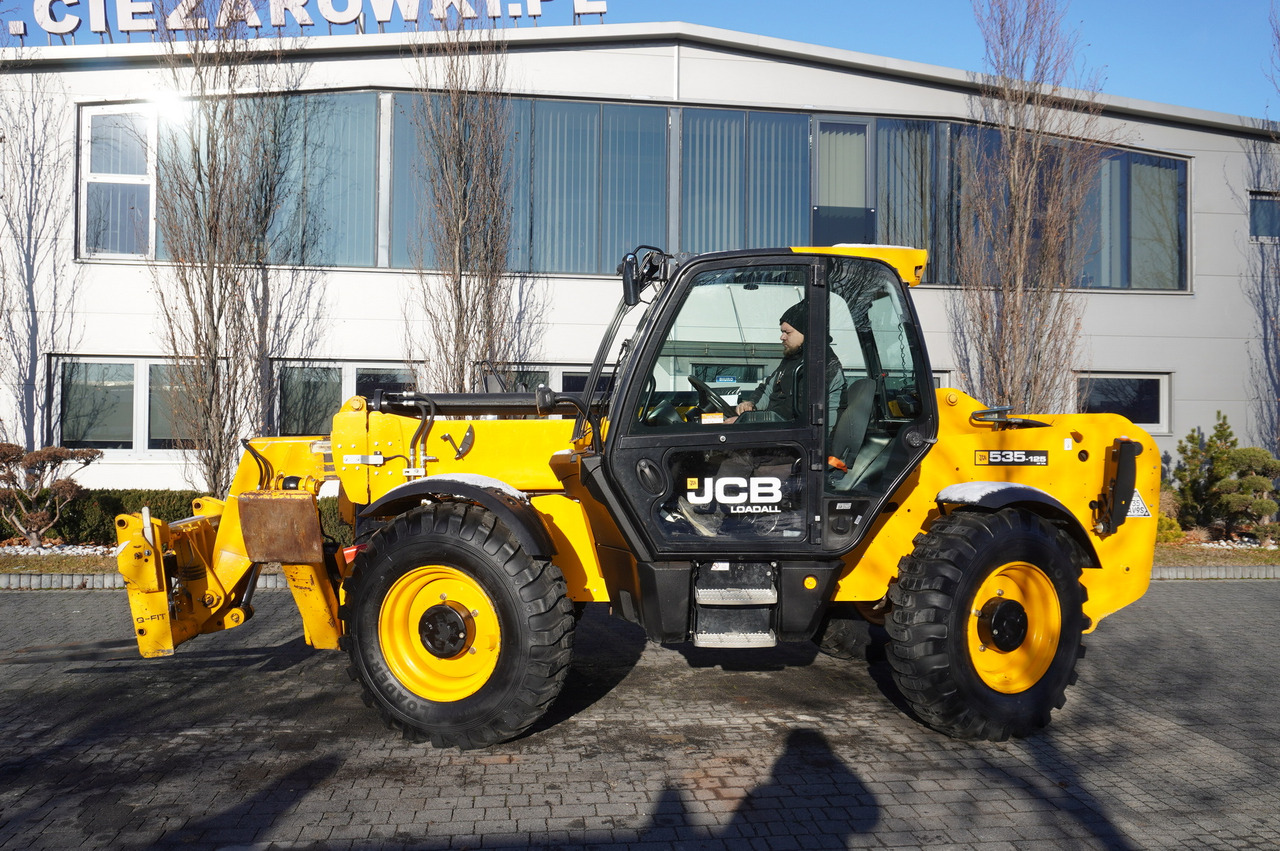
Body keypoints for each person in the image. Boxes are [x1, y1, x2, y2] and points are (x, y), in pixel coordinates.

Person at [733, 300, 844, 424]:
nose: (782, 337)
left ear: (807, 333)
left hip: (809, 435)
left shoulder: (821, 364)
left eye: (788, 332)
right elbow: (768, 389)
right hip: (786, 426)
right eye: (782, 332)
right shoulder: (793, 359)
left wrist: (749, 422)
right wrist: (750, 404)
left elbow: (796, 410)